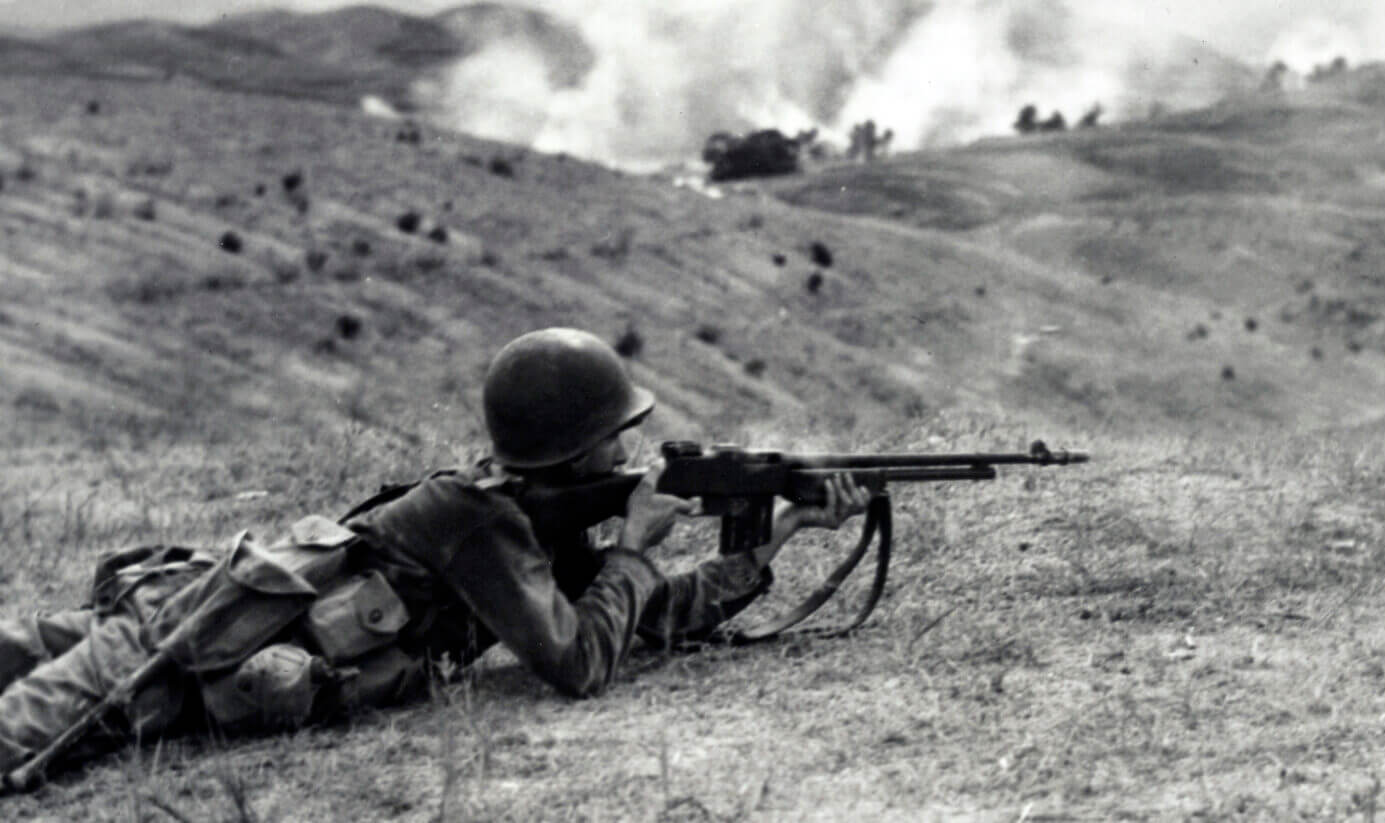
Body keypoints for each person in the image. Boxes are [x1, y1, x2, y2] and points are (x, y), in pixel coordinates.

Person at [0, 327, 870, 783]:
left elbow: (637, 616)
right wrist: (636, 545)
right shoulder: (480, 519)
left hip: (211, 619)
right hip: (189, 632)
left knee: (19, 650)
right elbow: (577, 662)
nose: (630, 456)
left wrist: (773, 538)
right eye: (617, 440)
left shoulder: (523, 520)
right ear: (571, 449)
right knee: (18, 736)